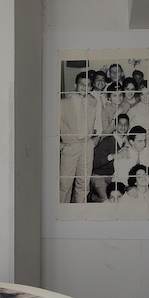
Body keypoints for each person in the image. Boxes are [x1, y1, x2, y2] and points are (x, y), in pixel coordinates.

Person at [59, 71, 98, 203]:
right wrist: (58, 144)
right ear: (75, 85)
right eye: (81, 84)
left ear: (91, 88)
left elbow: (97, 125)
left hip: (87, 146)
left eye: (88, 85)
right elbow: (53, 125)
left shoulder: (93, 102)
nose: (84, 87)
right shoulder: (63, 103)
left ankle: (80, 210)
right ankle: (63, 210)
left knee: (84, 184)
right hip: (70, 146)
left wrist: (92, 142)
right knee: (64, 184)